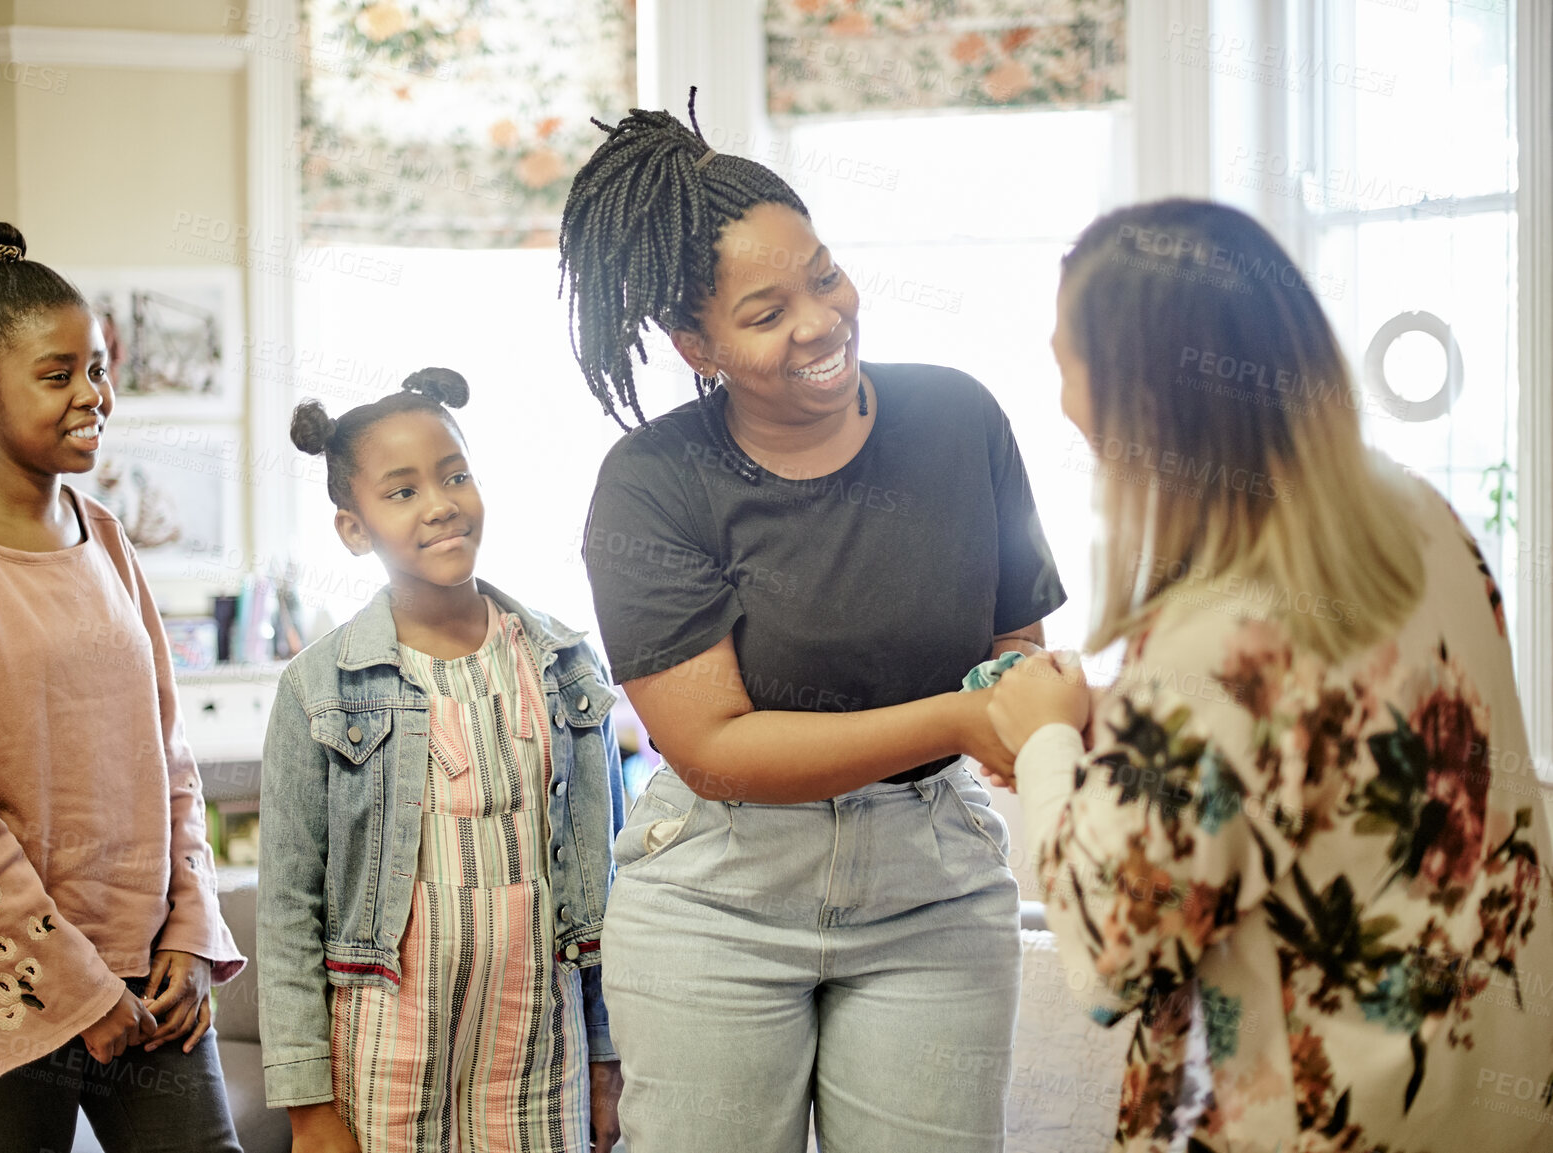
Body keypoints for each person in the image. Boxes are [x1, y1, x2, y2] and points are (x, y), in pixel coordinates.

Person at [556, 91, 1065, 1152]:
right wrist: (962, 722)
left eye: (823, 275)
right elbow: (717, 749)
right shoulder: (652, 484)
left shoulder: (957, 419)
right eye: (765, 312)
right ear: (694, 341)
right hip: (718, 897)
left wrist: (1017, 705)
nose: (821, 321)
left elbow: (1013, 639)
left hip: (933, 886)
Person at [990, 198, 1553, 1152]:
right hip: (1484, 1084)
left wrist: (1045, 738)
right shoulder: (1416, 515)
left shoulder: (1212, 636)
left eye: (1062, 363)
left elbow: (1103, 960)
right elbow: (1322, 736)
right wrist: (1132, 731)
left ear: (1144, 398)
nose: (1059, 398)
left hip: (1311, 1115)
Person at [0, 223, 245, 1153]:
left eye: (98, 368)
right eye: (58, 373)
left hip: (145, 962)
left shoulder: (104, 534)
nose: (92, 396)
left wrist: (188, 928)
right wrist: (70, 989)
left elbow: (168, 755)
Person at [258, 369, 625, 1153]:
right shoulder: (318, 686)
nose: (439, 502)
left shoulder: (563, 663)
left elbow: (603, 885)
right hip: (387, 1043)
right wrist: (306, 1104)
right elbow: (288, 903)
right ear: (353, 529)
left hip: (537, 1039)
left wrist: (605, 1054)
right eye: (401, 491)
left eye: (454, 474)